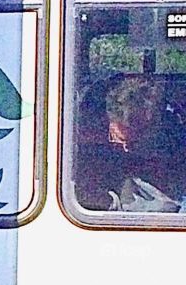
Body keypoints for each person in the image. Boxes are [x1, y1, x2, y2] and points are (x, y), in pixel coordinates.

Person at [74, 75, 186, 212]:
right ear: (111, 120)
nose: (127, 149)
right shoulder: (86, 147)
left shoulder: (173, 146)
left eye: (137, 141)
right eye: (121, 141)